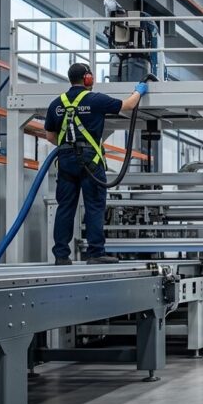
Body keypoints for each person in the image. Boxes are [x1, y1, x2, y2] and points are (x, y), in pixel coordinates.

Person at [45, 63, 146, 265]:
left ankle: (61, 256)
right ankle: (95, 253)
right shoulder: (95, 99)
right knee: (94, 206)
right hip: (90, 161)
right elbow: (128, 105)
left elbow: (50, 136)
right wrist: (139, 91)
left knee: (65, 207)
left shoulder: (56, 104)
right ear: (88, 79)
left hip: (65, 161)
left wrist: (69, 145)